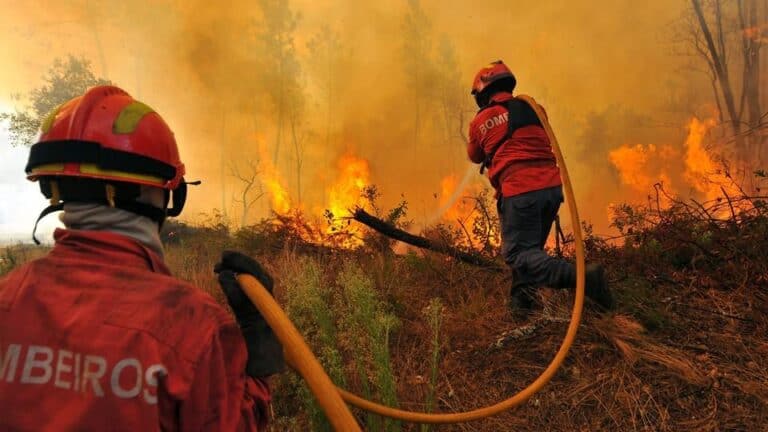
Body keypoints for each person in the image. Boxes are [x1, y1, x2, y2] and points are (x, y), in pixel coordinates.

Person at [0, 85, 283, 430]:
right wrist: (257, 355)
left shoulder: (7, 299)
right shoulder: (194, 327)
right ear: (163, 193)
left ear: (52, 187)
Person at [466, 60, 614, 315]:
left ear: (483, 91)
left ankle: (584, 278)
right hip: (551, 190)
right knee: (531, 250)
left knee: (517, 253)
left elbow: (475, 156)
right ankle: (522, 304)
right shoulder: (535, 109)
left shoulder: (481, 120)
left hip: (519, 191)